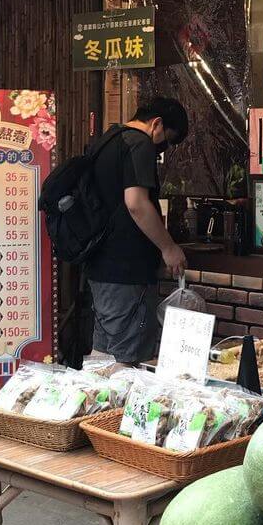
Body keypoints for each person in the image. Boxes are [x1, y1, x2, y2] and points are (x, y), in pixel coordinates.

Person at [81, 97, 189, 365]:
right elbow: (136, 203)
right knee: (126, 360)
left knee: (103, 355)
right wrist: (169, 248)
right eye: (167, 139)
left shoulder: (106, 140)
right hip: (126, 270)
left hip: (100, 266)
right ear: (157, 124)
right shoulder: (139, 144)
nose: (163, 148)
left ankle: (95, 406)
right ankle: (116, 408)